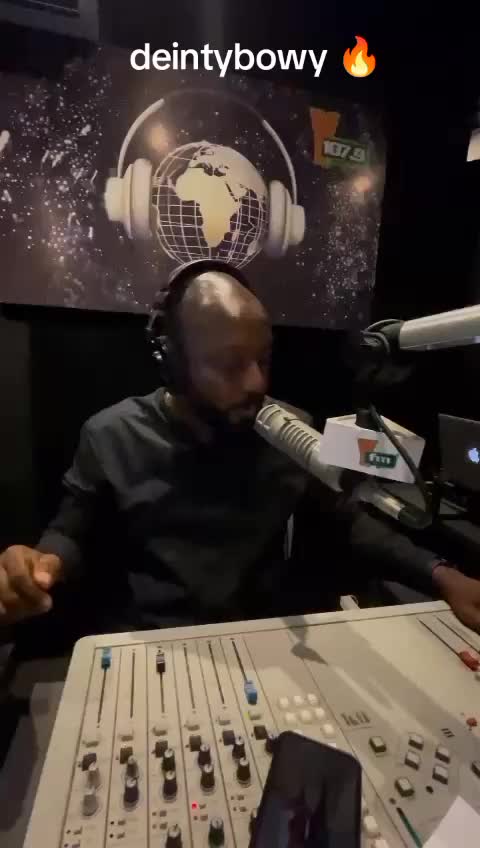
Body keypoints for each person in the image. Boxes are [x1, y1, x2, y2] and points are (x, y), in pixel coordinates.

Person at [1, 261, 480, 634]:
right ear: (173, 362)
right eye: (231, 365)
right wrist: (43, 564)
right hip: (152, 643)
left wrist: (441, 575)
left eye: (263, 360)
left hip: (261, 638)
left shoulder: (292, 430)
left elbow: (350, 521)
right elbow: (71, 532)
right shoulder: (111, 434)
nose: (257, 384)